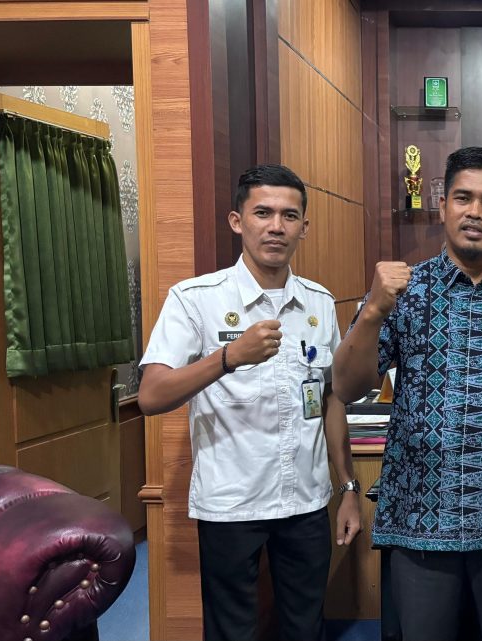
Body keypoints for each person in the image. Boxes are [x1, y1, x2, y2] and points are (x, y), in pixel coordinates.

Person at [332, 146, 482, 641]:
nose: (474, 212)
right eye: (463, 198)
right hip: (419, 524)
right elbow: (347, 386)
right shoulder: (405, 290)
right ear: (443, 206)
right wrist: (374, 310)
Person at [138, 164, 361, 641]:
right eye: (263, 213)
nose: (276, 226)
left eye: (289, 216)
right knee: (232, 632)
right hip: (231, 505)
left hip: (305, 502)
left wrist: (347, 488)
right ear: (237, 221)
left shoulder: (319, 302)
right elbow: (151, 395)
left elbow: (331, 399)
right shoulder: (195, 299)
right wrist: (227, 358)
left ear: (304, 227)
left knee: (305, 628)